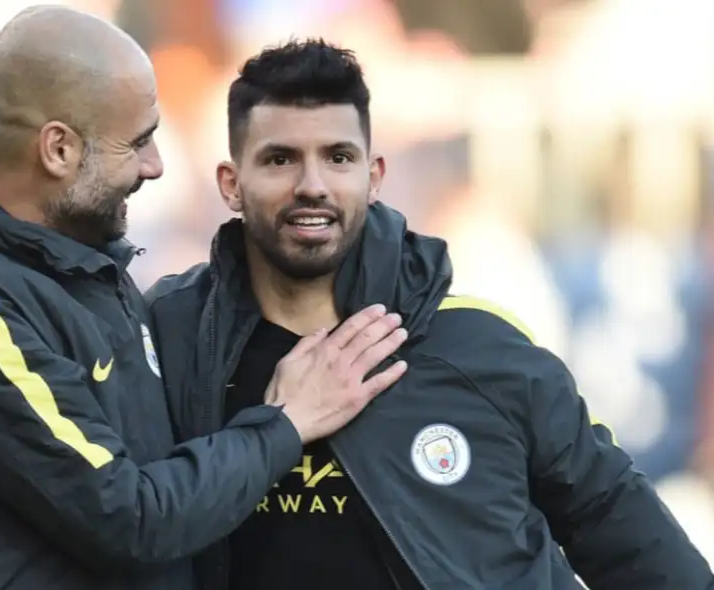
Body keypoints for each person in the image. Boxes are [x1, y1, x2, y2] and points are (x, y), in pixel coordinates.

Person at [0, 7, 407, 590]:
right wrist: (287, 420)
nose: (156, 165)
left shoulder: (77, 259)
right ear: (59, 150)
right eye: (137, 142)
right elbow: (130, 517)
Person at [145, 39, 714, 590]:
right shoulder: (170, 344)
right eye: (280, 159)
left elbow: (618, 523)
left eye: (338, 157)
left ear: (374, 178)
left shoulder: (477, 345)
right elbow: (117, 517)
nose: (311, 185)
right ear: (231, 184)